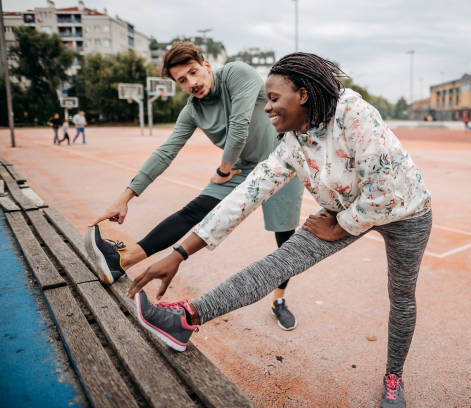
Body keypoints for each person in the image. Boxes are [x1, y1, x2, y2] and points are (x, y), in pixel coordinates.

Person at [126, 52, 432, 408]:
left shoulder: (355, 114)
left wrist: (340, 227)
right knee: (279, 263)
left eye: (273, 99)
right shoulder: (292, 142)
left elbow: (382, 194)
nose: (267, 108)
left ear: (302, 95)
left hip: (405, 211)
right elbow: (245, 195)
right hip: (343, 209)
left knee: (401, 295)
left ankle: (394, 377)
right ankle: (185, 319)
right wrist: (179, 253)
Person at [85, 41, 304, 330]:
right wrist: (126, 195)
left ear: (207, 65)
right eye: (182, 80)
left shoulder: (237, 74)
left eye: (193, 72)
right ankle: (121, 261)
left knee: (284, 241)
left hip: (281, 163)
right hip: (241, 168)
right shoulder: (193, 111)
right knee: (195, 210)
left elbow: (239, 127)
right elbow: (166, 151)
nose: (192, 82)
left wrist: (222, 170)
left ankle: (279, 299)